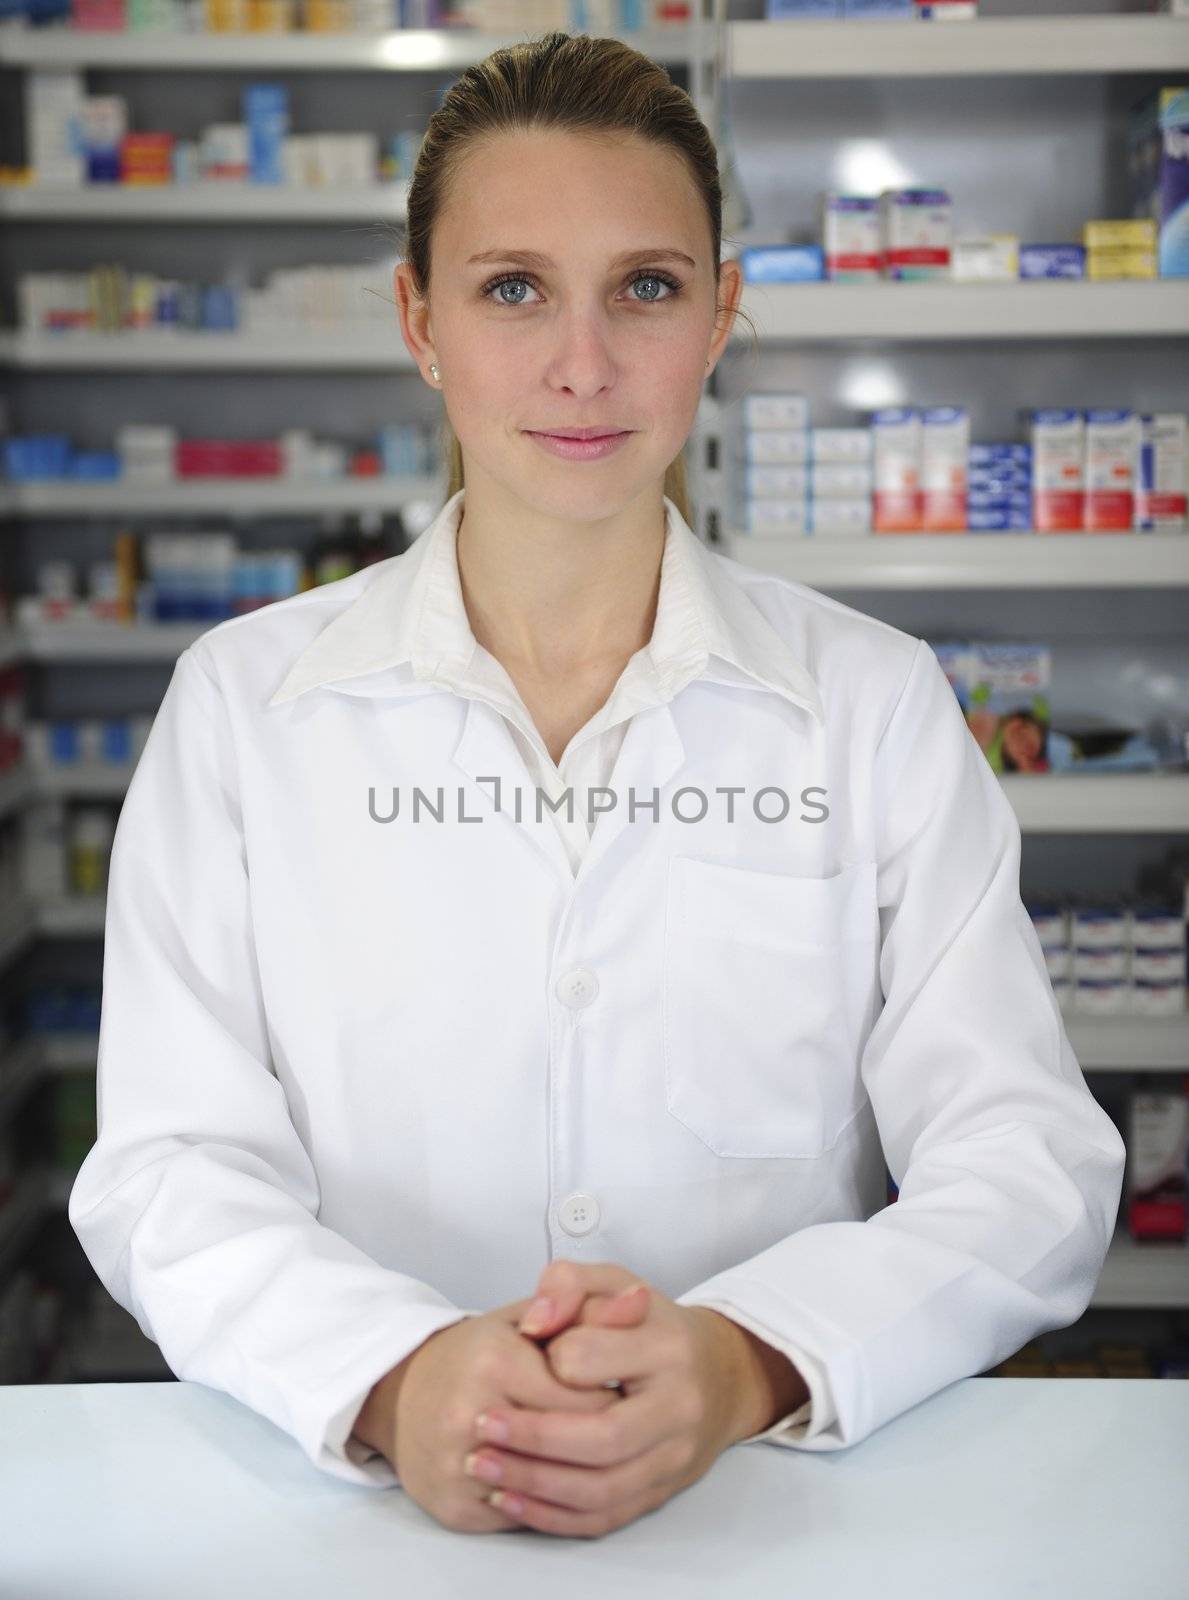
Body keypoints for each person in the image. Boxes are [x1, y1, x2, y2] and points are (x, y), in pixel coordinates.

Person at [68, 31, 1126, 1543]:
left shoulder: (868, 706)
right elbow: (168, 1167)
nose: (583, 363)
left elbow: (1025, 1163)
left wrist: (747, 1358)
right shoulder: (247, 711)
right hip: (358, 1524)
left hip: (770, 1517)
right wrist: (393, 1375)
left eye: (646, 286)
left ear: (718, 316)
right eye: (512, 289)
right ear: (419, 322)